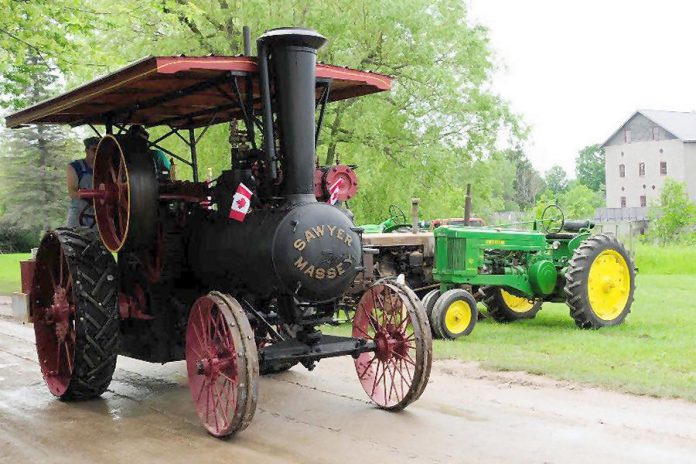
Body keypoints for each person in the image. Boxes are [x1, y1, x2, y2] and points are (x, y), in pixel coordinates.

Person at [66, 137, 99, 228]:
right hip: (78, 215)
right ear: (86, 150)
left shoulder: (106, 169)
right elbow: (73, 192)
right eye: (94, 150)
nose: (97, 153)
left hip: (100, 216)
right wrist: (90, 194)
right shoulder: (75, 167)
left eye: (100, 150)